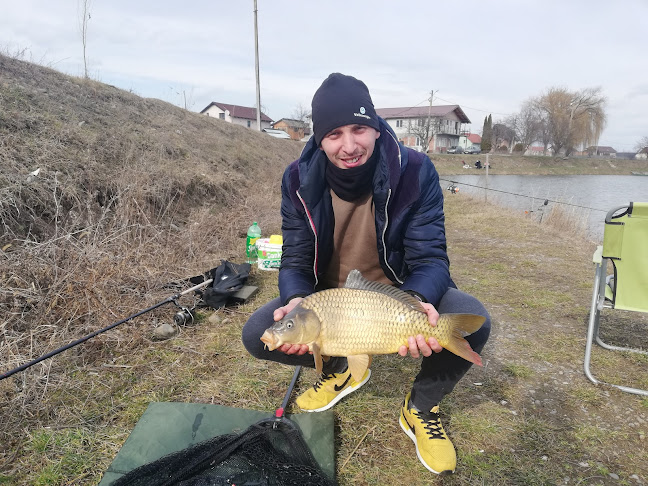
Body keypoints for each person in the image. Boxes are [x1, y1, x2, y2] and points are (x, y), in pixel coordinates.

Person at [242, 73, 491, 475]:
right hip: (331, 298)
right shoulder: (296, 179)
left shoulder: (414, 170)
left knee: (472, 322)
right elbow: (296, 259)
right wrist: (293, 299)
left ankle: (420, 408)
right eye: (334, 133)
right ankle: (341, 371)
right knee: (258, 333)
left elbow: (430, 258)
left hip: (400, 290)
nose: (349, 145)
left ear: (375, 128)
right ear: (319, 139)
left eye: (359, 128)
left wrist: (420, 301)